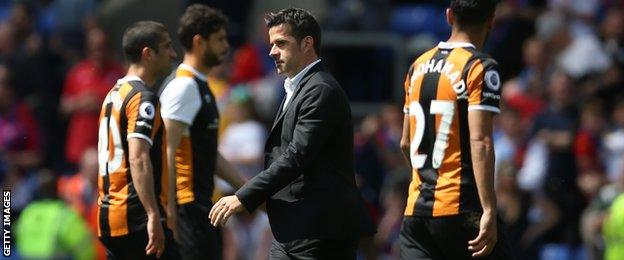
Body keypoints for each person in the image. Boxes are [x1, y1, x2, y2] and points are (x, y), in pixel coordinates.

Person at [209, 8, 375, 259]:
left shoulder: (320, 89)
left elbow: (297, 156)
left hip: (320, 231)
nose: (272, 52)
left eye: (281, 43)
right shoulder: (297, 87)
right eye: (272, 44)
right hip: (295, 228)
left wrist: (244, 196)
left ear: (307, 43)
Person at [398, 0, 512, 259]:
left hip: (416, 214)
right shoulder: (478, 67)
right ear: (491, 21)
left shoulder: (417, 66)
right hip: (461, 209)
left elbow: (405, 142)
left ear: (449, 16)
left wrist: (425, 183)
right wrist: (489, 210)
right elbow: (480, 140)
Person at [159, 4, 246, 260]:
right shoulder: (184, 87)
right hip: (186, 209)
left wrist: (250, 192)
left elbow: (209, 153)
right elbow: (166, 150)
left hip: (201, 206)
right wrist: (169, 214)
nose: (225, 46)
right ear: (199, 42)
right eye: (219, 39)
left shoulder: (201, 85)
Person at [96, 21, 178, 259]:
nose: (173, 54)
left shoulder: (114, 94)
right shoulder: (143, 98)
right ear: (148, 54)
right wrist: (153, 215)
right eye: (167, 47)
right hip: (136, 219)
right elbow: (138, 157)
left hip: (109, 216)